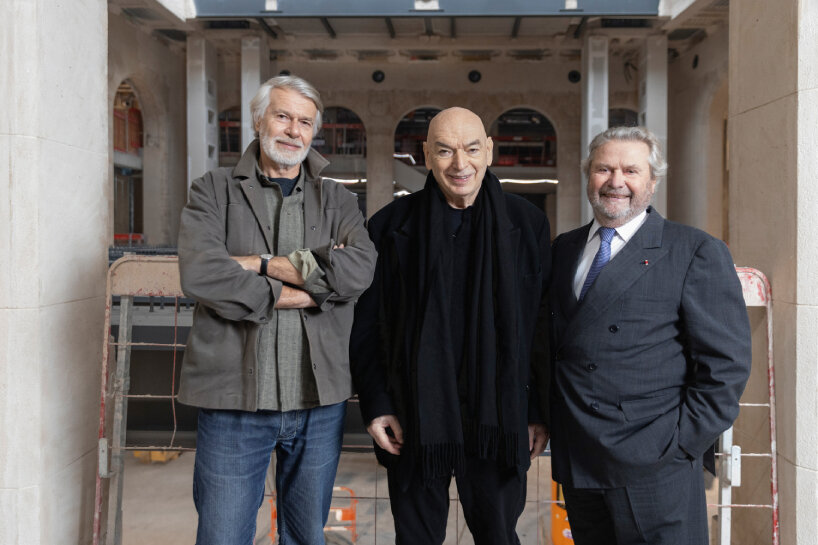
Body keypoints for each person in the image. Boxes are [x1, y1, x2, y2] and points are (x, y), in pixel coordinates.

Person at [176, 75, 376, 545]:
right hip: (233, 404)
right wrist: (309, 291)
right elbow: (203, 274)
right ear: (258, 119)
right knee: (223, 536)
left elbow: (360, 269)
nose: (293, 131)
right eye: (283, 116)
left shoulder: (338, 199)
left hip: (318, 403)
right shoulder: (212, 191)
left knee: (307, 535)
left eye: (305, 122)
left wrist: (260, 265)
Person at [350, 107, 551, 545]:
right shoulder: (389, 226)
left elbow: (539, 324)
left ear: (490, 151)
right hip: (414, 417)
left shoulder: (527, 223)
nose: (460, 164)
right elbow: (368, 325)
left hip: (497, 420)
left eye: (471, 149)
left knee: (499, 536)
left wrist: (536, 411)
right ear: (426, 155)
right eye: (444, 150)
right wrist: (377, 402)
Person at [549, 126, 751, 544]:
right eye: (604, 168)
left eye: (630, 170)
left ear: (652, 181)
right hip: (580, 457)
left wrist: (679, 447)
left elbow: (725, 367)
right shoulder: (563, 249)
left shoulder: (693, 250)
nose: (616, 181)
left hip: (656, 465)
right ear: (589, 175)